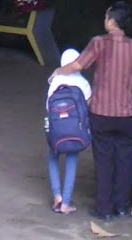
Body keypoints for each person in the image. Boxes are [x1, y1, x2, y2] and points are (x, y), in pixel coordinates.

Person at [53, 1, 132, 223]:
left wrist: (58, 70)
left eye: (105, 17)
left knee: (103, 160)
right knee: (124, 160)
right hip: (127, 115)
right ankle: (122, 206)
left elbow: (78, 66)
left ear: (111, 21)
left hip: (101, 113)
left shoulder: (98, 42)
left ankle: (104, 209)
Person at [44, 46, 92, 214]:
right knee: (72, 161)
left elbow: (48, 108)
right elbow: (87, 110)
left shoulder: (56, 81)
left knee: (52, 157)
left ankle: (57, 196)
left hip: (56, 130)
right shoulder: (84, 83)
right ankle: (66, 202)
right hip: (75, 131)